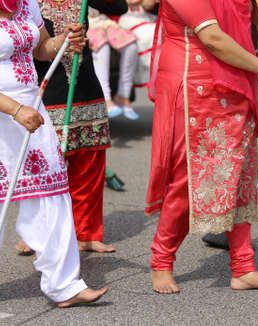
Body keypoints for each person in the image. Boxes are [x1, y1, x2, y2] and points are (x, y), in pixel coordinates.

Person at [146, 0, 258, 294]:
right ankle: (161, 260)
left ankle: (243, 267)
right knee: (190, 178)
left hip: (234, 79)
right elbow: (213, 38)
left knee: (238, 175)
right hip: (193, 84)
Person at [0, 0, 107, 307]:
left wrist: (64, 41)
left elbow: (41, 49)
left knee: (52, 190)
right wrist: (14, 109)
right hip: (10, 111)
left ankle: (64, 284)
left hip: (31, 109)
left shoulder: (25, 3)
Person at [28, 0, 129, 253]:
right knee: (46, 169)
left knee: (90, 165)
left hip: (86, 89)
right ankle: (35, 233)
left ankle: (85, 233)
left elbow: (118, 7)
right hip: (46, 92)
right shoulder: (27, 3)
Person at [88, 7, 140, 120]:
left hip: (103, 21)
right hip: (85, 23)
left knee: (131, 45)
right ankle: (105, 99)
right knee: (102, 46)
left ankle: (123, 95)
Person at [118, 0, 158, 91]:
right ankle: (155, 73)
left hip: (146, 19)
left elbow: (149, 4)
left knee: (159, 32)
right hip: (127, 20)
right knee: (151, 35)